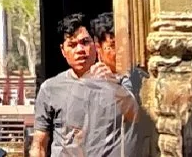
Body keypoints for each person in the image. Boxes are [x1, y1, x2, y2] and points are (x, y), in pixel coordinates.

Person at [30, 15, 97, 157]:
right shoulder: (50, 89)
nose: (80, 49)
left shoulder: (112, 85)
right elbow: (39, 143)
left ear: (96, 44)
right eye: (72, 45)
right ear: (63, 50)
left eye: (85, 42)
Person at [81, 14, 143, 157]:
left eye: (124, 45)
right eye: (113, 46)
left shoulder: (136, 77)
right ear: (98, 47)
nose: (120, 52)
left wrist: (113, 85)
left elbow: (134, 113)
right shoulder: (86, 83)